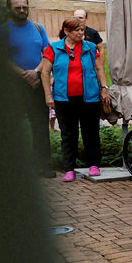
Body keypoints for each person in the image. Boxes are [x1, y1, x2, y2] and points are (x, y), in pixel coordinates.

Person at [39, 17, 108, 181]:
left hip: (89, 98)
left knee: (91, 133)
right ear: (66, 31)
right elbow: (44, 72)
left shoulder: (91, 48)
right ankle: (69, 169)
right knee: (68, 135)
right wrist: (48, 96)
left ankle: (93, 165)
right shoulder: (54, 48)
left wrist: (104, 89)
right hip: (64, 100)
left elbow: (99, 69)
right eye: (77, 30)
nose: (81, 33)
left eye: (82, 30)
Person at [0, 0, 53, 174]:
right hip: (13, 85)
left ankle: (43, 166)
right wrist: (23, 74)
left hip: (37, 84)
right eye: (18, 8)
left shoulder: (38, 28)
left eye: (25, 7)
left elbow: (47, 54)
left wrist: (36, 71)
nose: (22, 11)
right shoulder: (3, 30)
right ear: (9, 9)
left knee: (40, 126)